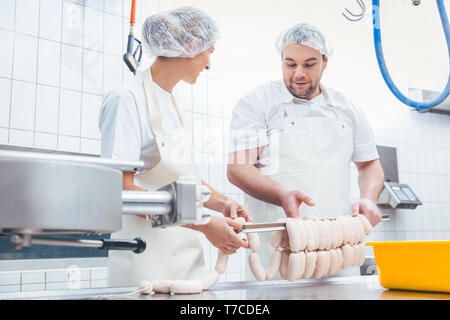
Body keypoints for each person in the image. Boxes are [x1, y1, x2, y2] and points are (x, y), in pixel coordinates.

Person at [99, 7, 252, 287]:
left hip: (186, 265)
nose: (209, 64)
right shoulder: (127, 99)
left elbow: (182, 181)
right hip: (144, 262)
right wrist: (204, 223)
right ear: (191, 46)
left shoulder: (168, 101)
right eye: (210, 51)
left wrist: (223, 203)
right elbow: (120, 189)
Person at [227, 23, 385, 277]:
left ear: (324, 62)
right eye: (290, 64)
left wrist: (368, 198)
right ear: (281, 61)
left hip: (338, 248)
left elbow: (369, 164)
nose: (298, 73)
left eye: (309, 64)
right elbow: (237, 168)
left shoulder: (347, 107)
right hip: (279, 250)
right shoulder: (256, 103)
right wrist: (281, 195)